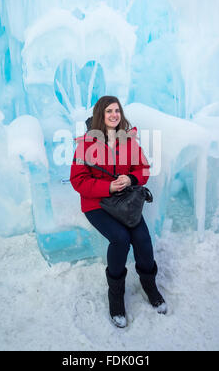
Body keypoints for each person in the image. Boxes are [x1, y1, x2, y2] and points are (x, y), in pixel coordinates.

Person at [70, 96, 166, 328]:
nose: (114, 115)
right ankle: (116, 296)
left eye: (117, 111)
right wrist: (107, 186)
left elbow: (142, 169)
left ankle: (149, 285)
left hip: (125, 202)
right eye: (109, 111)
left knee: (142, 239)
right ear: (99, 115)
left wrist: (130, 178)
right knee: (120, 239)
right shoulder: (86, 145)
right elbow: (78, 181)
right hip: (97, 203)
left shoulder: (129, 141)